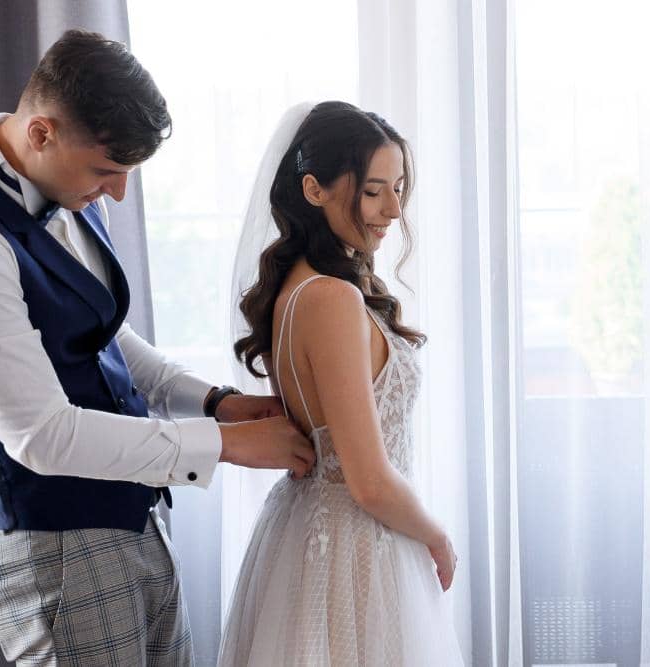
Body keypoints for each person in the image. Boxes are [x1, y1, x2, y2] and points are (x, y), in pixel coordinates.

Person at [0, 30, 314, 666]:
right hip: (53, 553)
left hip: (131, 522)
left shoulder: (67, 190)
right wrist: (225, 445)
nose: (117, 193)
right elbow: (43, 436)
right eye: (107, 171)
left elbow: (104, 338)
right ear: (41, 133)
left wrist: (215, 403)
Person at [219, 101, 464, 665]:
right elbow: (369, 481)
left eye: (399, 188)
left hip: (304, 532)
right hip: (356, 544)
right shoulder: (331, 299)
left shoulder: (296, 289)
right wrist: (436, 536)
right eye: (374, 191)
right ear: (314, 190)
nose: (394, 209)